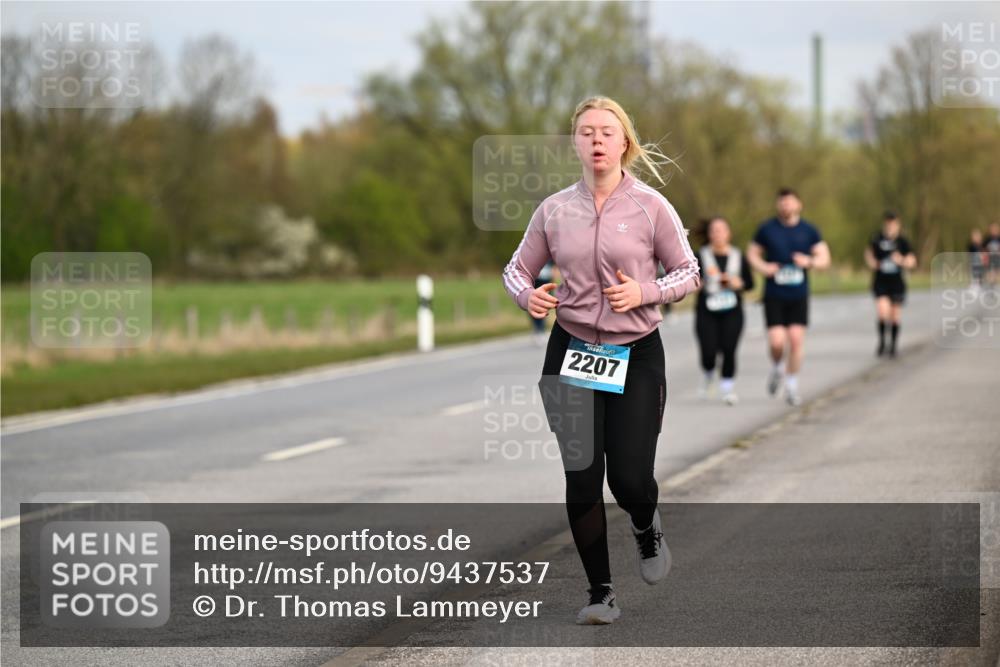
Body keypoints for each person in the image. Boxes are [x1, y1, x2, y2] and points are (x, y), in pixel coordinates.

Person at [502, 96, 700, 625]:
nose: (596, 140)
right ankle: (600, 592)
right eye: (586, 131)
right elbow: (516, 270)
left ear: (624, 142)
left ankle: (645, 523)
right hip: (571, 350)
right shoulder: (554, 210)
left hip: (635, 352)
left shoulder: (651, 206)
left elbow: (689, 271)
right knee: (583, 475)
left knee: (630, 479)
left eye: (607, 132)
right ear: (575, 142)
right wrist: (528, 296)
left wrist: (645, 292)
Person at [746, 188, 830, 407]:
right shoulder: (767, 229)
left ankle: (791, 386)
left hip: (798, 294)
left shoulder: (809, 230)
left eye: (790, 202)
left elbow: (824, 259)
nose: (786, 206)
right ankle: (777, 368)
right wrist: (764, 267)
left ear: (798, 204)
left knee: (795, 341)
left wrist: (809, 262)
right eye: (782, 202)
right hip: (774, 294)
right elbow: (752, 254)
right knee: (776, 342)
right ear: (778, 205)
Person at [694, 216, 754, 405]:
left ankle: (727, 388)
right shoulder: (699, 255)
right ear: (709, 234)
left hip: (732, 310)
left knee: (729, 348)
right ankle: (709, 372)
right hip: (707, 310)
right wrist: (697, 284)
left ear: (729, 233)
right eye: (714, 231)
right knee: (708, 351)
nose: (717, 234)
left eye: (721, 230)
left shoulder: (738, 255)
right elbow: (689, 280)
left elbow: (750, 283)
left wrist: (738, 283)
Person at [864, 211, 917, 358]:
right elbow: (868, 253)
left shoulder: (903, 241)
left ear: (897, 225)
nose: (890, 226)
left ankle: (893, 346)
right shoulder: (877, 238)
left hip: (896, 283)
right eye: (888, 223)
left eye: (893, 224)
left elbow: (912, 261)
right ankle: (882, 342)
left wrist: (901, 260)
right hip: (881, 282)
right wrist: (872, 262)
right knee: (882, 312)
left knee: (894, 316)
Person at [529, 261, 557, 345]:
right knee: (535, 309)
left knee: (544, 309)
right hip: (536, 284)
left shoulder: (550, 259)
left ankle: (541, 330)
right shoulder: (533, 257)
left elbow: (553, 268)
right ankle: (538, 330)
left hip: (546, 284)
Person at [985, 222, 1000, 288]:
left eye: (995, 229)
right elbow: (984, 250)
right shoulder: (987, 239)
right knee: (990, 276)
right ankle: (990, 288)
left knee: (997, 275)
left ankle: (996, 287)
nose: (994, 230)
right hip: (990, 259)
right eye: (992, 229)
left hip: (998, 259)